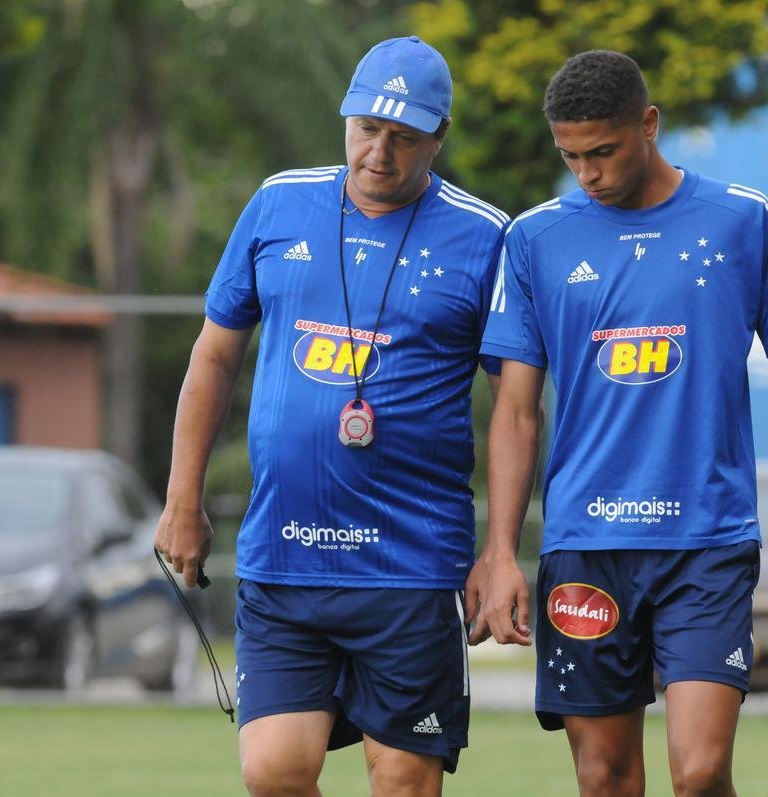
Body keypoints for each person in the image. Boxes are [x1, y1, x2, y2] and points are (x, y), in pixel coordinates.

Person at [471, 51, 768, 797]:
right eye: (570, 157)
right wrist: (501, 552)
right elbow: (516, 410)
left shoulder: (741, 219)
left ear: (649, 124)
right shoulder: (534, 239)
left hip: (707, 540)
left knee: (699, 773)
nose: (588, 173)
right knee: (604, 777)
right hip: (585, 546)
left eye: (602, 151)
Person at [154, 35, 508, 797]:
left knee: (403, 782)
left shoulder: (484, 236)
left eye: (403, 136)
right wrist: (183, 499)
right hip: (285, 557)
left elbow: (517, 404)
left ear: (439, 138)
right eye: (366, 128)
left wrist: (501, 549)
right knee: (274, 771)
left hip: (411, 566)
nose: (379, 152)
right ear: (346, 117)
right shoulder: (279, 203)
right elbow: (212, 357)